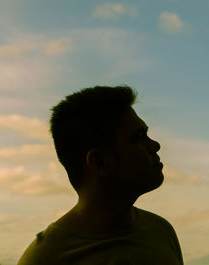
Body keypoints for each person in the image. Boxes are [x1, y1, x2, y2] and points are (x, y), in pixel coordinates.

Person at [18, 85, 183, 265]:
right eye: (139, 137)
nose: (155, 145)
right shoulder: (46, 259)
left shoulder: (160, 231)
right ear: (99, 162)